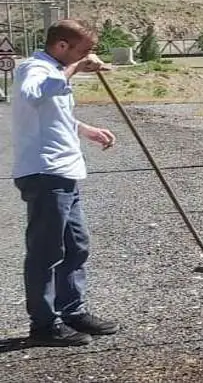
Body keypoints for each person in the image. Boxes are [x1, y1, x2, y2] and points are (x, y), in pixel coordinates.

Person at [11, 19, 119, 347]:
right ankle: (43, 325)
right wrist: (72, 70)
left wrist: (85, 130)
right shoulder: (33, 68)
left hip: (65, 172)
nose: (88, 57)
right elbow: (32, 96)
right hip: (45, 174)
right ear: (62, 46)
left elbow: (52, 113)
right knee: (46, 251)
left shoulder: (53, 69)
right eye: (83, 51)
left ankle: (72, 311)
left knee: (76, 245)